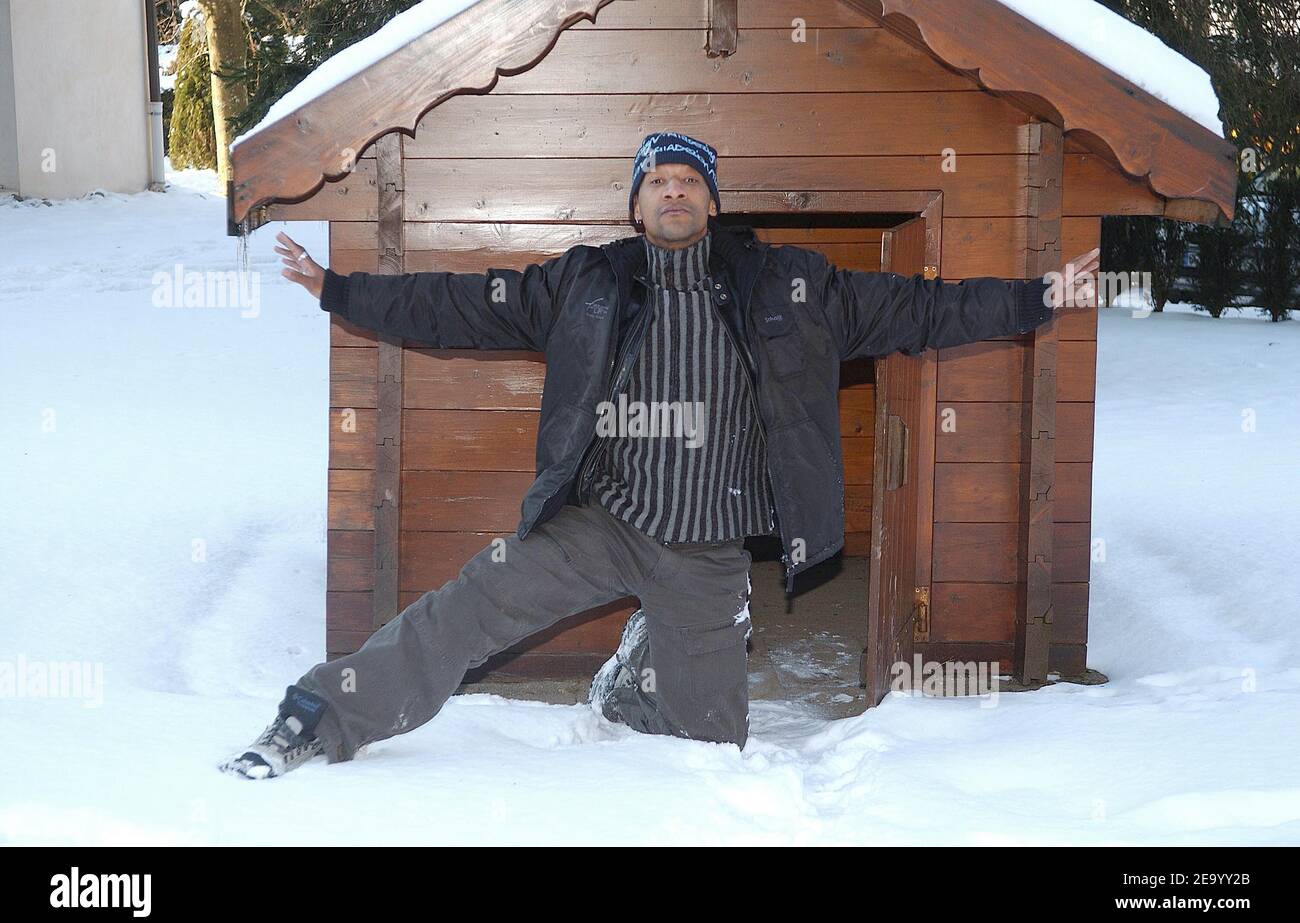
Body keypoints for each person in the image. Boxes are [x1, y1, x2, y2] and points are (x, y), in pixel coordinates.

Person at [221, 130, 1099, 779]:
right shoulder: (584, 282)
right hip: (600, 518)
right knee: (467, 607)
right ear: (636, 205)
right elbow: (462, 304)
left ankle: (638, 678)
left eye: (690, 181)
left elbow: (923, 309)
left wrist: (1036, 296)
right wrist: (339, 288)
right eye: (659, 182)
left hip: (709, 549)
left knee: (711, 751)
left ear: (713, 204)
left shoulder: (793, 284)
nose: (674, 193)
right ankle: (317, 716)